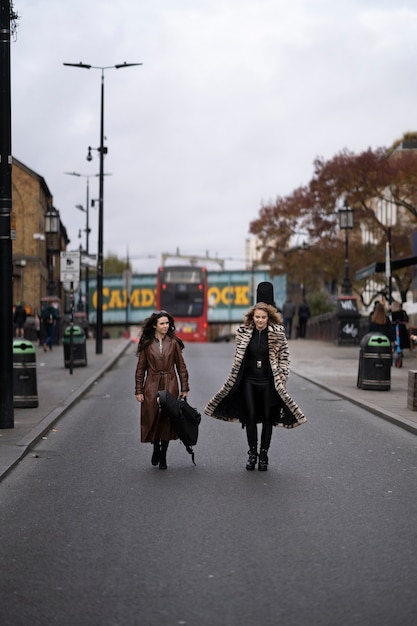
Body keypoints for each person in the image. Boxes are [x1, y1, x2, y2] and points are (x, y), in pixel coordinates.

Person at [205, 283, 307, 472]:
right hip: (249, 382)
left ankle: (264, 455)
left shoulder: (277, 333)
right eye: (257, 317)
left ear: (269, 318)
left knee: (268, 419)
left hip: (268, 382)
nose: (260, 320)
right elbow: (238, 358)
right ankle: (252, 453)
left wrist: (283, 376)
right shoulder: (243, 333)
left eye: (263, 317)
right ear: (252, 318)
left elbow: (285, 356)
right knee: (250, 417)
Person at [135, 310, 189, 470]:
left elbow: (181, 366)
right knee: (153, 417)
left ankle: (163, 455)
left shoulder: (173, 343)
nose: (166, 326)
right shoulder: (146, 343)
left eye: (167, 323)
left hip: (170, 384)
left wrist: (184, 388)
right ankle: (155, 447)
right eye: (162, 323)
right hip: (151, 385)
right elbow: (140, 369)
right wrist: (139, 390)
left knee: (166, 419)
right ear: (155, 325)